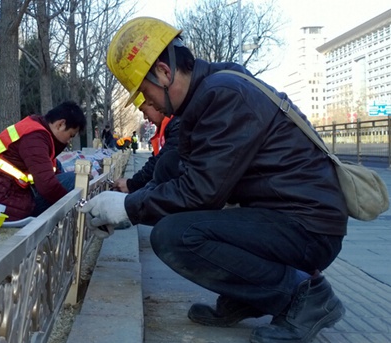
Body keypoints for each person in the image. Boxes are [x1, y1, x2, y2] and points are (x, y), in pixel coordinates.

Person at [80, 17, 348, 343]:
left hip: (307, 226)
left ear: (164, 73)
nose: (147, 103)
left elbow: (201, 191)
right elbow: (187, 178)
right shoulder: (212, 92)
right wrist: (130, 204)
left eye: (145, 93)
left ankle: (304, 298)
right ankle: (249, 295)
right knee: (178, 222)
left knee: (175, 236)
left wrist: (128, 206)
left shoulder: (223, 96)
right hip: (291, 215)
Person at [0, 101, 86, 222]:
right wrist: (73, 203)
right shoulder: (35, 139)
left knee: (57, 166)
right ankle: (79, 218)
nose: (69, 141)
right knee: (75, 179)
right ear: (60, 124)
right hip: (0, 202)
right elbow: (47, 187)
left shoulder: (35, 127)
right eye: (71, 135)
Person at [113, 93, 180, 193]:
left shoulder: (177, 125)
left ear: (153, 102)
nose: (145, 117)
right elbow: (156, 161)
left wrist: (131, 185)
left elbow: (159, 161)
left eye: (144, 111)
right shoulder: (166, 128)